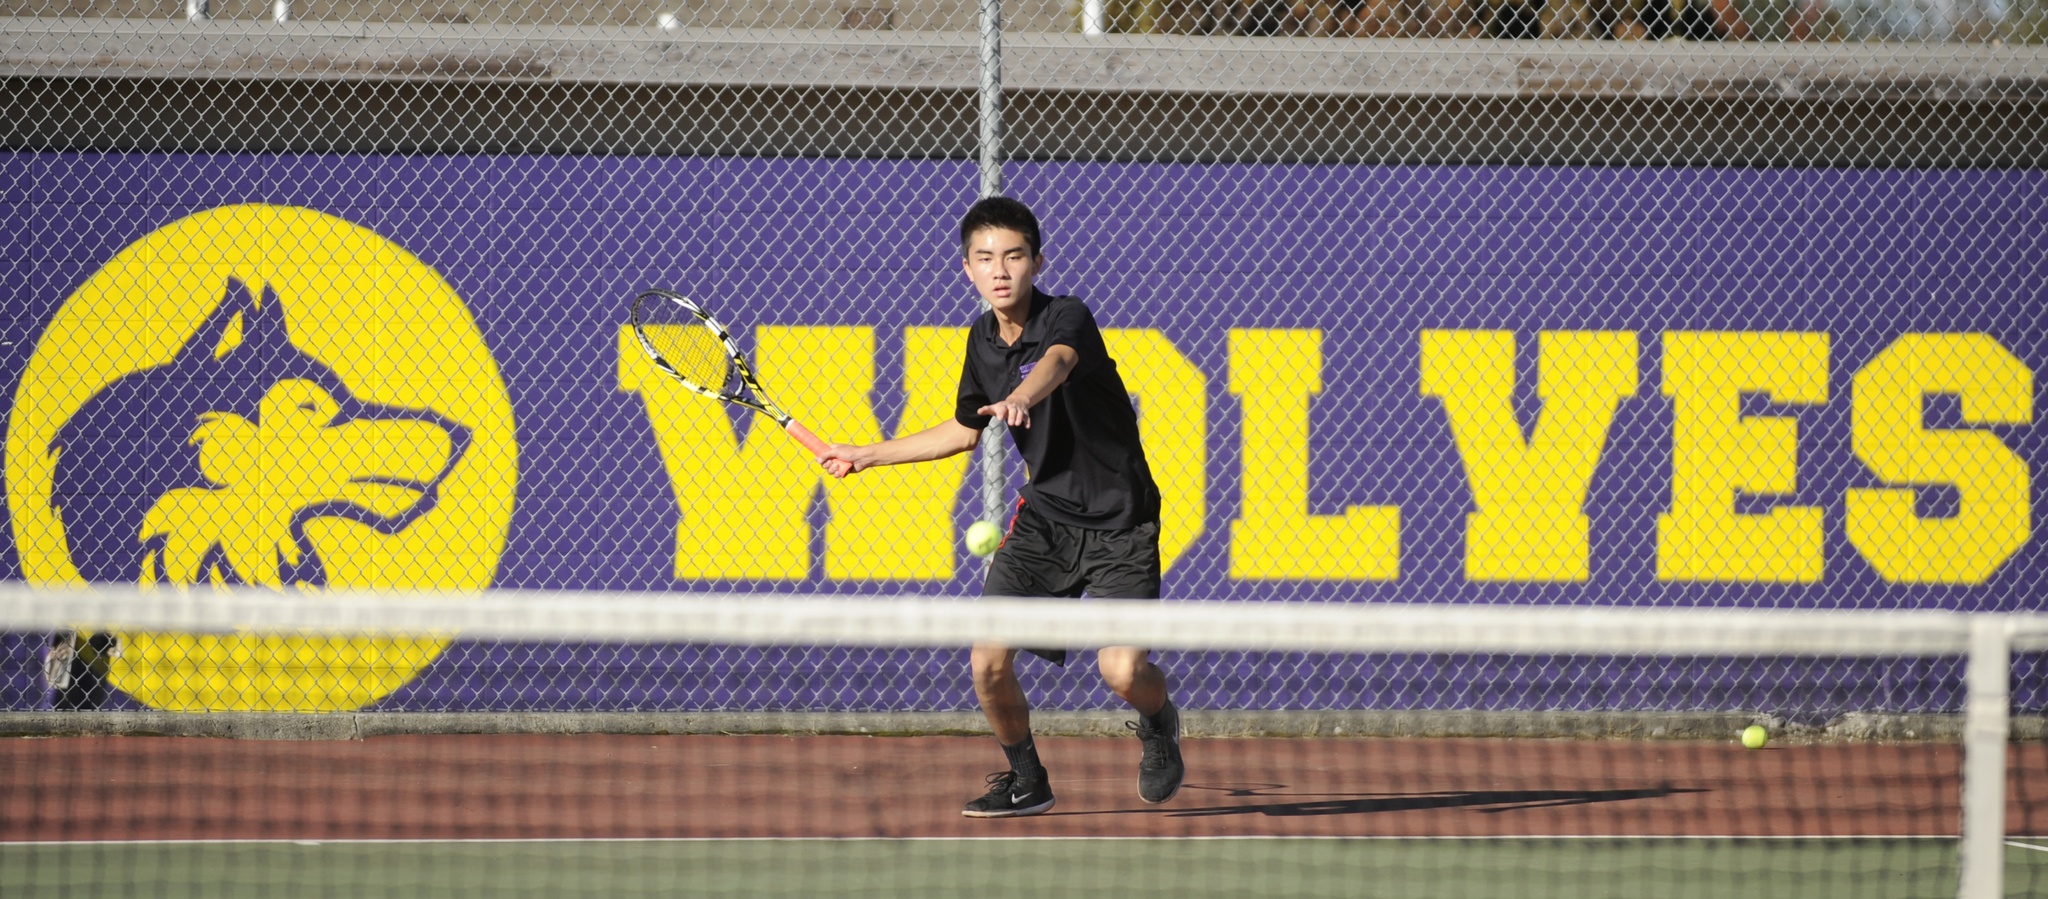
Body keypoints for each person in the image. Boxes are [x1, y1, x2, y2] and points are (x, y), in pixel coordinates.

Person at [819, 196, 1185, 819]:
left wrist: (1020, 395)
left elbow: (1059, 363)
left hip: (1122, 522)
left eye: (1014, 256)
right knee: (987, 662)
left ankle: (1158, 720)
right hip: (1045, 521)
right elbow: (963, 431)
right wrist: (869, 455)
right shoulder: (980, 340)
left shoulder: (1069, 315)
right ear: (966, 268)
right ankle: (1027, 779)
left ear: (1037, 261)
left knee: (1122, 671)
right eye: (985, 258)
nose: (1000, 270)